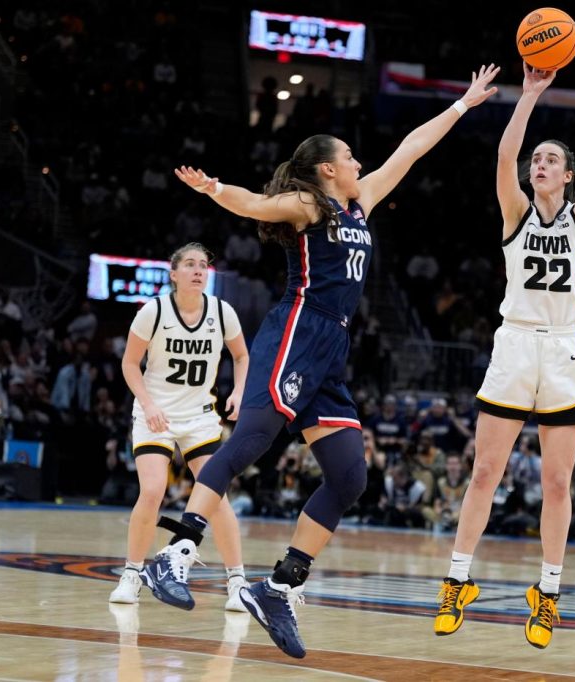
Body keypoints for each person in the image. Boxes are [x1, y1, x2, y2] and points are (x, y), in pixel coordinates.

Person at [140, 64, 500, 659]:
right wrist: (213, 190)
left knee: (350, 476)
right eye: (351, 157)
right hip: (296, 331)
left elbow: (411, 148)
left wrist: (462, 104)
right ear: (328, 168)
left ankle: (278, 586)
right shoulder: (309, 205)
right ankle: (175, 554)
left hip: (333, 345)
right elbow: (255, 203)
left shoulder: (361, 203)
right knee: (252, 439)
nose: (361, 163)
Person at [434, 51, 575, 649]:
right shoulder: (514, 211)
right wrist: (531, 95)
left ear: (568, 176)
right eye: (536, 159)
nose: (538, 164)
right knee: (485, 471)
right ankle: (457, 582)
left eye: (551, 160)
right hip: (514, 345)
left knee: (559, 483)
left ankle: (548, 593)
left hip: (564, 352)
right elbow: (502, 155)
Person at [110, 243, 250, 613]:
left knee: (216, 497)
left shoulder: (223, 313)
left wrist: (238, 389)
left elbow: (241, 355)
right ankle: (132, 574)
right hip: (156, 413)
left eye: (203, 265)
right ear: (174, 274)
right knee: (153, 490)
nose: (198, 270)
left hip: (200, 416)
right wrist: (149, 403)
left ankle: (237, 582)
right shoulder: (152, 312)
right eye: (189, 264)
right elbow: (129, 364)